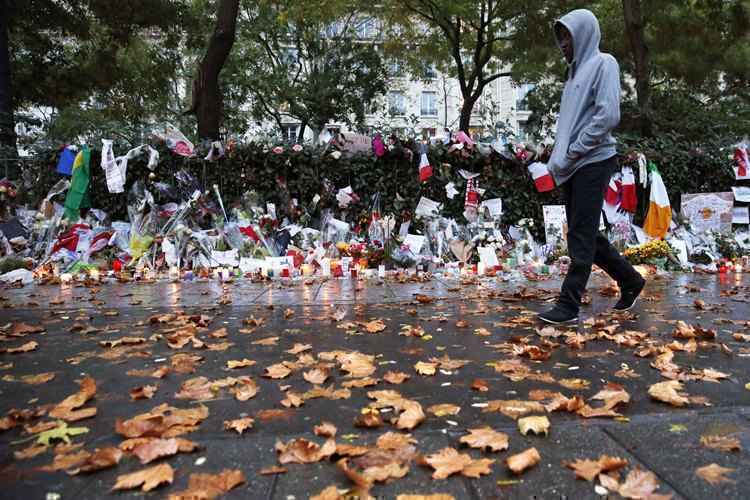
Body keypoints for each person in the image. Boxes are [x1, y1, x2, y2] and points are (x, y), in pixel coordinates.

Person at [538, 9, 645, 325]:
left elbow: (607, 115)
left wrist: (574, 150)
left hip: (594, 159)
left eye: (567, 36)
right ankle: (630, 280)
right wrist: (558, 158)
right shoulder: (572, 76)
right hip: (574, 163)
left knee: (581, 235)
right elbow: (570, 125)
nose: (563, 44)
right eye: (560, 38)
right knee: (586, 234)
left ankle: (568, 304)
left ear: (583, 34)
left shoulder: (604, 64)